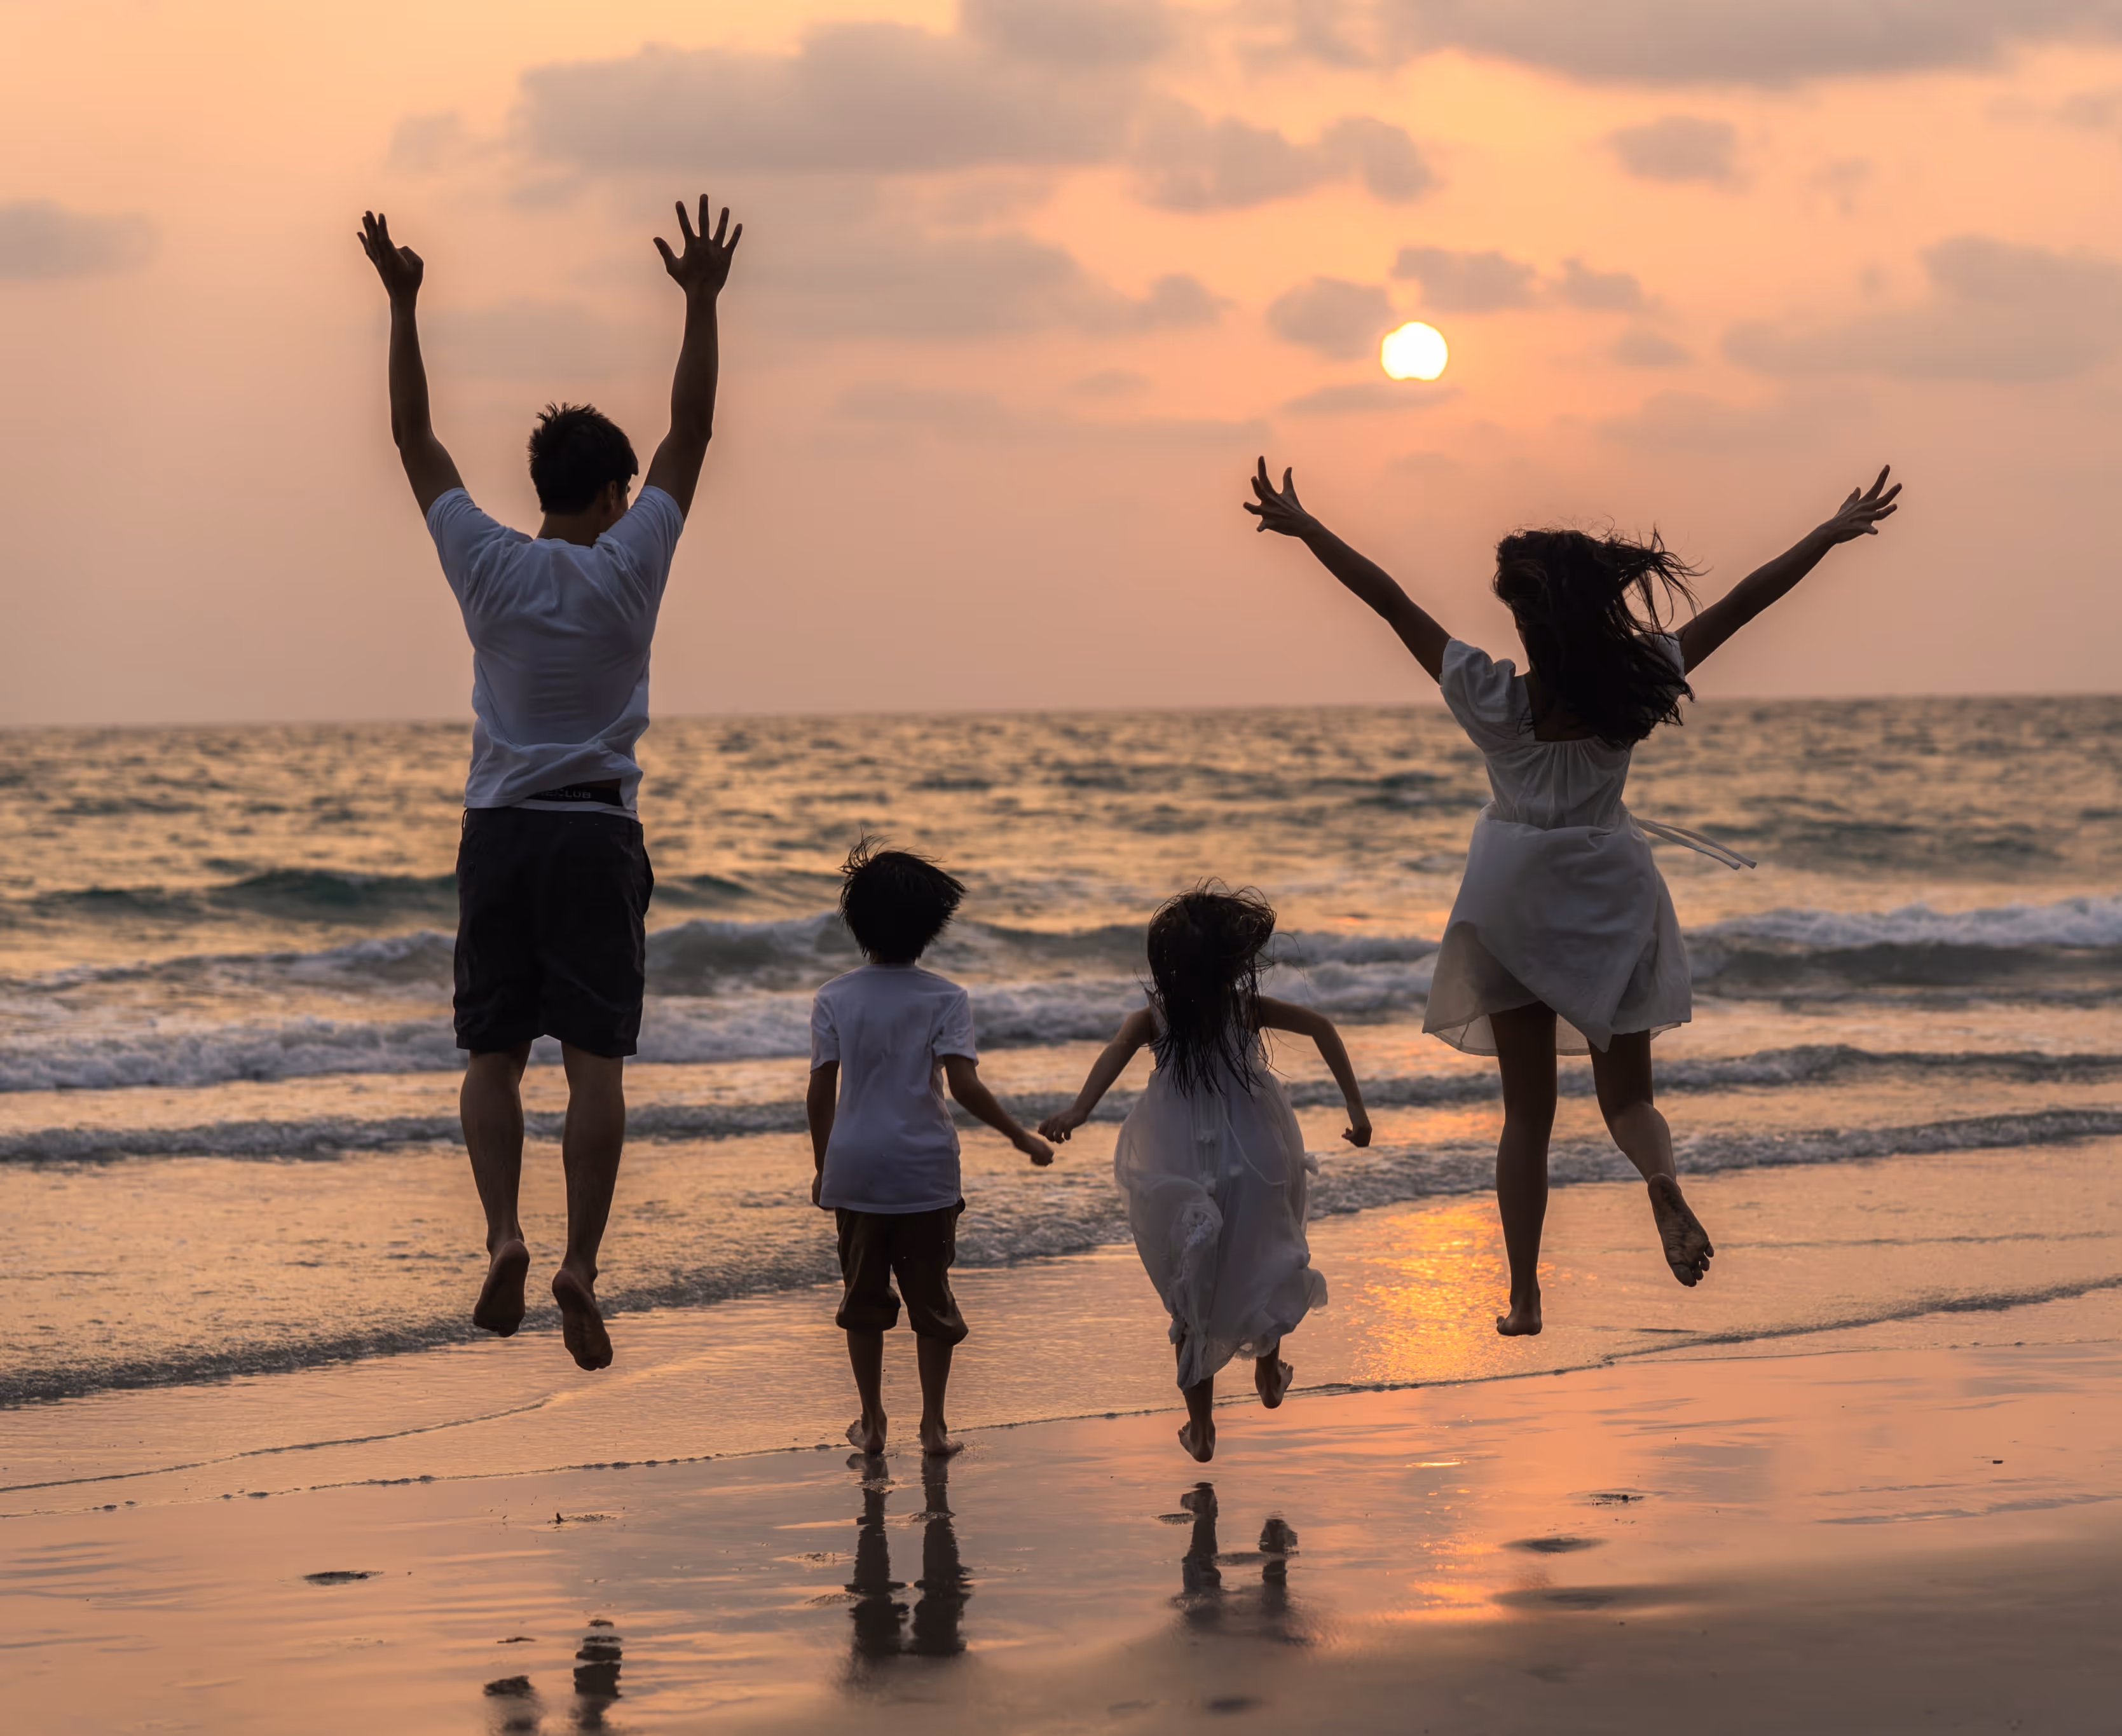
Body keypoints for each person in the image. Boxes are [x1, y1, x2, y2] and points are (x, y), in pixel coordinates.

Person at [1245, 455, 1901, 1336]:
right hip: (1607, 896)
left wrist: (1308, 527)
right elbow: (1744, 604)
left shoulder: (1491, 699)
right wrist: (1823, 535)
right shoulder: (1633, 683)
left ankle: (1523, 1295)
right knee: (1627, 1099)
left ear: (1522, 618)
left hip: (1512, 900)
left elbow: (1390, 600)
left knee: (1527, 1115)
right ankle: (1659, 1182)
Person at [356, 196, 742, 1370]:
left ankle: (504, 1235)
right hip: (593, 834)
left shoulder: (486, 563)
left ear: (536, 485)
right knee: (594, 1068)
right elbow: (693, 431)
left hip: (500, 833)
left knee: (489, 1057)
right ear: (615, 490)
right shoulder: (632, 564)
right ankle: (578, 1261)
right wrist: (702, 301)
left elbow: (413, 439)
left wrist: (405, 301)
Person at [1040, 885, 1370, 1463]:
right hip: (1261, 1153)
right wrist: (1357, 1111)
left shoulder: (1154, 1016)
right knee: (1269, 1256)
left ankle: (1202, 1428)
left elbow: (1113, 1056)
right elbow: (1322, 1028)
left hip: (1184, 1164)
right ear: (1233, 963)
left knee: (1192, 1291)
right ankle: (1268, 1373)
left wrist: (1078, 1111)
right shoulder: (1244, 1008)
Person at [809, 840, 1054, 1458]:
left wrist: (823, 1167)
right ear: (932, 927)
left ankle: (871, 1421)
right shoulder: (945, 997)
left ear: (856, 921)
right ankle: (934, 1426)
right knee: (931, 1302)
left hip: (857, 1169)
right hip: (925, 1173)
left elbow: (820, 1091)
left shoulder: (834, 997)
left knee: (862, 1303)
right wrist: (1019, 1135)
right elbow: (964, 1084)